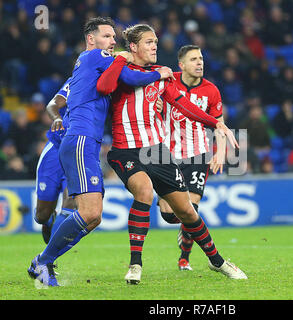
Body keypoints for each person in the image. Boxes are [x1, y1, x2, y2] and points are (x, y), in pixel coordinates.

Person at [28, 17, 174, 287]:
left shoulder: (91, 64)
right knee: (88, 213)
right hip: (81, 139)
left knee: (92, 215)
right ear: (91, 39)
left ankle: (43, 261)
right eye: (106, 36)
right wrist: (159, 73)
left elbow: (114, 80)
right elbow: (130, 76)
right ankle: (43, 262)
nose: (112, 42)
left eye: (113, 38)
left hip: (86, 142)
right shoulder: (96, 56)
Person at [98, 23, 246, 284]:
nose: (155, 45)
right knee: (143, 191)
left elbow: (184, 105)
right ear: (133, 46)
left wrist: (216, 123)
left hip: (157, 153)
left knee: (186, 213)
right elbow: (104, 87)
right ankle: (135, 265)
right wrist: (121, 58)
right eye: (148, 42)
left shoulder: (161, 75)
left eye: (155, 41)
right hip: (126, 151)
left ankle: (218, 262)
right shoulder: (121, 69)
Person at [155, 44, 227, 271]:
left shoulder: (211, 91)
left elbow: (220, 124)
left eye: (201, 59)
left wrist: (221, 152)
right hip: (168, 155)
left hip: (198, 154)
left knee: (191, 207)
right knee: (168, 214)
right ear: (182, 65)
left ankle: (184, 258)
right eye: (194, 59)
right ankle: (185, 230)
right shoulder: (168, 81)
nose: (200, 63)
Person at [33, 78, 76, 246]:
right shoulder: (75, 82)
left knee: (71, 203)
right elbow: (52, 104)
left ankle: (47, 259)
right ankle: (48, 218)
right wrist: (57, 118)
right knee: (42, 215)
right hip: (55, 150)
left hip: (77, 153)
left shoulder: (108, 85)